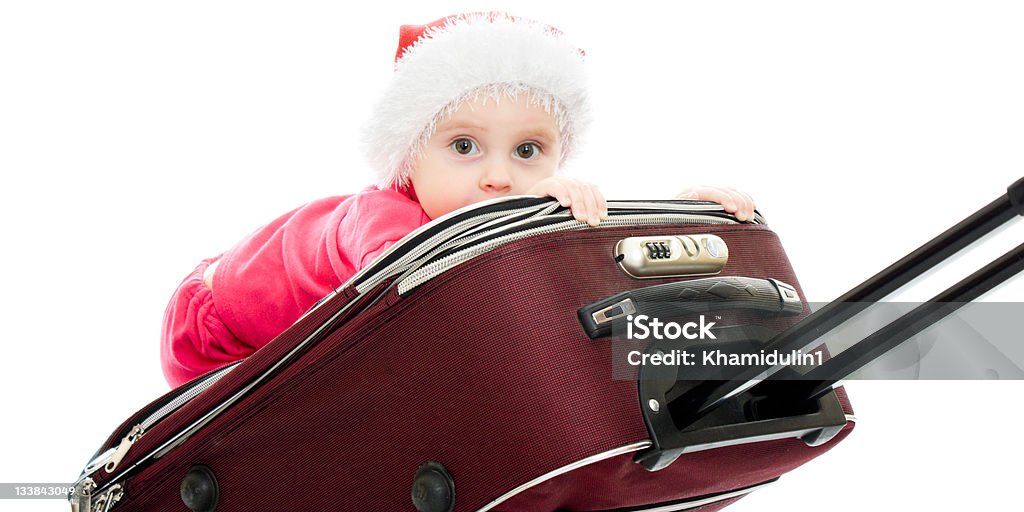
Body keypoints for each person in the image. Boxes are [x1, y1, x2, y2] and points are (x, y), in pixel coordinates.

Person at [160, 12, 757, 387]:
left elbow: (593, 266)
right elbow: (423, 299)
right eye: (465, 145)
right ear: (409, 155)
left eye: (528, 152)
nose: (499, 177)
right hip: (219, 333)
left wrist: (680, 219)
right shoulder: (384, 219)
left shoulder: (505, 216)